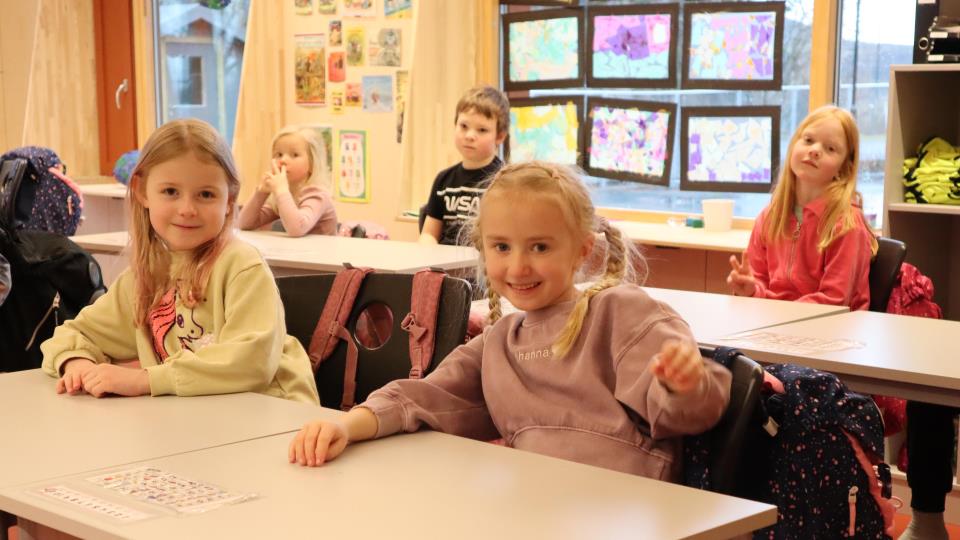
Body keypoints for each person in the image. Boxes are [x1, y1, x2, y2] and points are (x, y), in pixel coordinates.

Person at [289, 161, 731, 481]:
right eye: (502, 247)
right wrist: (346, 424)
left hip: (627, 508)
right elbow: (423, 397)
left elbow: (689, 413)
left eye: (540, 247)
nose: (518, 267)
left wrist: (685, 385)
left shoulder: (620, 312)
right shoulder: (499, 341)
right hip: (535, 507)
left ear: (582, 250)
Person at [40, 119, 318, 404]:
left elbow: (250, 363)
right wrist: (76, 363)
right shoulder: (143, 278)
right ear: (142, 191)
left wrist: (145, 379)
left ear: (229, 199)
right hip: (201, 419)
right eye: (171, 192)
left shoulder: (242, 266)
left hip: (277, 416)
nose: (187, 209)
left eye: (206, 194)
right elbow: (75, 334)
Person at [727, 105, 878, 310]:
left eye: (830, 148)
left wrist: (775, 312)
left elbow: (834, 300)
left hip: (830, 326)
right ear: (793, 146)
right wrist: (750, 290)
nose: (814, 150)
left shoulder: (847, 224)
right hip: (774, 321)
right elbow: (759, 281)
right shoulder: (770, 216)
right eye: (808, 140)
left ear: (844, 167)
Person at [419, 85, 509, 246]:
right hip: (444, 260)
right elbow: (429, 233)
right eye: (464, 126)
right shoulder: (443, 180)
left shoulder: (506, 180)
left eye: (482, 130)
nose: (470, 136)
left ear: (500, 137)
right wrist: (427, 248)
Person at [238, 126, 337, 237]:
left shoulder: (317, 194)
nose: (283, 160)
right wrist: (261, 192)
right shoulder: (283, 194)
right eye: (279, 155)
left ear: (312, 164)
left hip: (322, 248)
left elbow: (297, 229)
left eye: (294, 155)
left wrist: (281, 191)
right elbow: (244, 224)